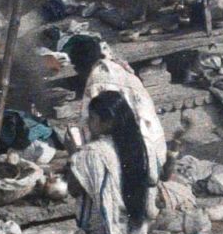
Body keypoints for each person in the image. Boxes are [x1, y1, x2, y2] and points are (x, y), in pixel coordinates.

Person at [68, 91, 156, 234]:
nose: (88, 122)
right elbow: (153, 180)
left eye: (92, 118)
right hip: (136, 227)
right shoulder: (143, 145)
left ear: (108, 122)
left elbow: (73, 190)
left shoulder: (92, 152)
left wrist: (73, 155)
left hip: (106, 230)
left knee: (89, 193)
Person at [66, 34, 168, 184]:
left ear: (79, 67)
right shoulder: (118, 69)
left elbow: (93, 126)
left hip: (135, 157)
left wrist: (78, 153)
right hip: (154, 149)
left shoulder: (96, 82)